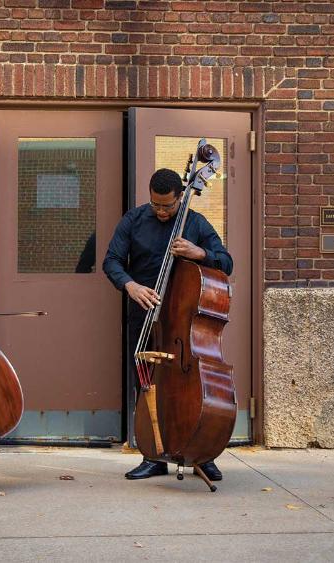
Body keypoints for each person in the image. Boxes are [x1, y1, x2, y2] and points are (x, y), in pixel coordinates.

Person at [103, 168, 233, 481]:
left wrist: (199, 252)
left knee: (194, 389)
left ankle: (200, 451)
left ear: (179, 198)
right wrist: (130, 286)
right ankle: (154, 455)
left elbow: (226, 262)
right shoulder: (133, 221)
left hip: (187, 324)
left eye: (168, 206)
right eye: (156, 205)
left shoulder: (196, 223)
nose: (161, 211)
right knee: (148, 385)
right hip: (146, 316)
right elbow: (112, 261)